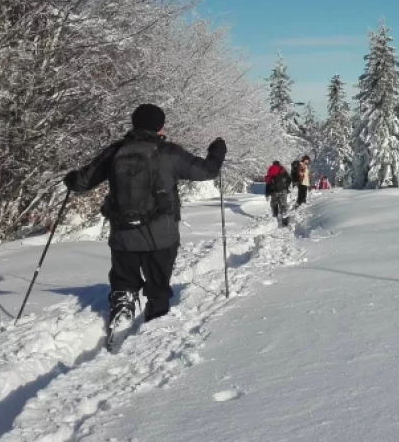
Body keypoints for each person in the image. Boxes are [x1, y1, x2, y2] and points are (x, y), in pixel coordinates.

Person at [64, 103, 226, 336]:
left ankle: (122, 308)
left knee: (123, 281)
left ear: (134, 123)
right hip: (161, 236)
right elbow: (208, 171)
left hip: (123, 233)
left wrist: (71, 178)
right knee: (158, 287)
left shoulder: (115, 151)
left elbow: (81, 182)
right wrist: (217, 151)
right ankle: (152, 330)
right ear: (160, 125)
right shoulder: (170, 153)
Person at [265, 160, 292, 226]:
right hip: (283, 191)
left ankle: (275, 219)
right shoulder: (282, 169)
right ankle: (284, 222)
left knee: (274, 205)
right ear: (279, 164)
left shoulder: (270, 169)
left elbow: (268, 182)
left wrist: (267, 193)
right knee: (283, 205)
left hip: (273, 191)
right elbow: (289, 179)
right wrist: (286, 187)